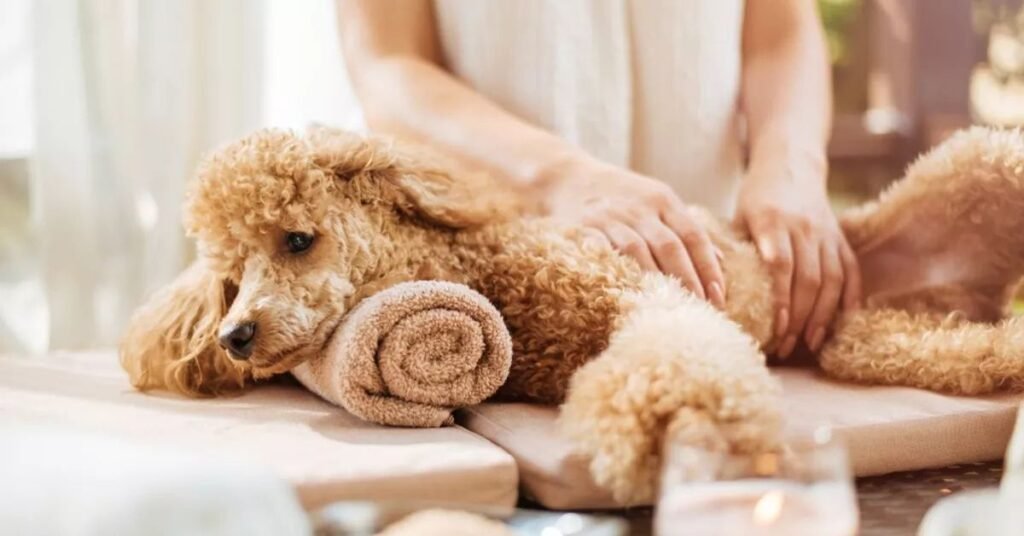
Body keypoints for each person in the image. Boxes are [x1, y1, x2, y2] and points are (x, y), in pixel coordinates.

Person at [336, 0, 861, 357]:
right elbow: (387, 64)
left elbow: (780, 32)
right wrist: (560, 179)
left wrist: (791, 165)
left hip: (722, 282)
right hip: (498, 302)